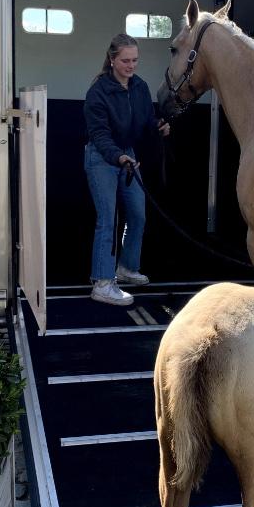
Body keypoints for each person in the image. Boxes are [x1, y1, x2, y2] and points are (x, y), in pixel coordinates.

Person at [83, 33, 170, 306]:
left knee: (138, 215)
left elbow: (145, 121)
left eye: (135, 60)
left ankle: (126, 268)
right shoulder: (98, 92)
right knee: (108, 220)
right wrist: (118, 156)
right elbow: (99, 135)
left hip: (128, 156)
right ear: (111, 60)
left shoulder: (140, 87)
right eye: (125, 60)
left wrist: (159, 126)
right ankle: (102, 282)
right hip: (102, 157)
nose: (131, 66)